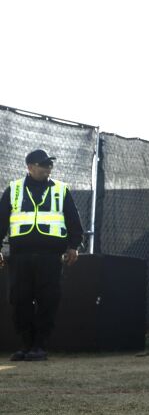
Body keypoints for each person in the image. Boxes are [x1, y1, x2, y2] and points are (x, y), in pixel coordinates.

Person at [1, 149, 83, 361]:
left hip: (50, 257)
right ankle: (26, 345)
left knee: (48, 300)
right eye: (43, 164)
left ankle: (39, 346)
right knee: (20, 300)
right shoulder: (14, 189)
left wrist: (74, 246)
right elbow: (1, 221)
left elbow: (73, 220)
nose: (48, 168)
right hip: (20, 257)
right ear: (29, 167)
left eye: (49, 165)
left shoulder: (61, 190)